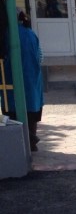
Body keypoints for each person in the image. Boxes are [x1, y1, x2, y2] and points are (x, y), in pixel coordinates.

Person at [1, 8, 44, 152]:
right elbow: (40, 56)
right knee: (31, 111)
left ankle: (25, 141)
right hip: (32, 81)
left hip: (12, 81)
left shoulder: (7, 35)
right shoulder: (30, 33)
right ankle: (32, 141)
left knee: (14, 113)